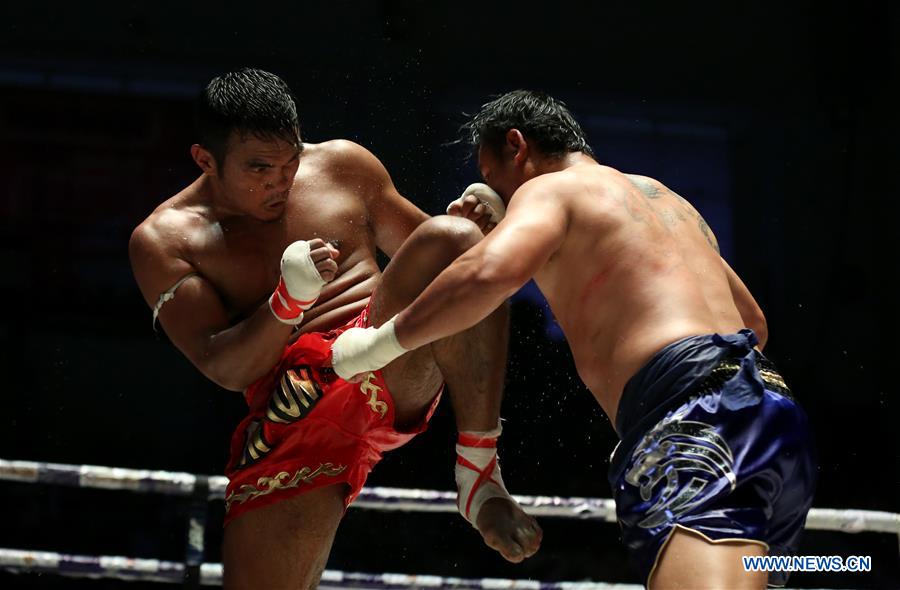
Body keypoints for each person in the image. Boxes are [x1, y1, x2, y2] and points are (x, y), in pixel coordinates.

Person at [332, 90, 817, 589]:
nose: (496, 190)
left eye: (491, 174)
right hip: (775, 417)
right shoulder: (666, 199)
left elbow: (487, 274)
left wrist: (380, 343)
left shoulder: (551, 190)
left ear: (516, 146)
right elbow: (752, 324)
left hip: (695, 419)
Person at [128, 69, 541, 589]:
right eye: (259, 168)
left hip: (386, 353)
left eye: (289, 161)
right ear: (205, 160)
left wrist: (482, 232)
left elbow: (458, 274)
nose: (280, 181)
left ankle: (479, 474)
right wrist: (286, 303)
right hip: (293, 406)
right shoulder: (166, 240)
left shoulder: (343, 165)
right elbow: (224, 367)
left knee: (453, 238)